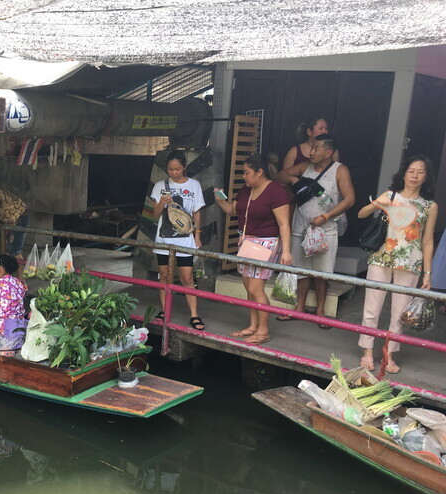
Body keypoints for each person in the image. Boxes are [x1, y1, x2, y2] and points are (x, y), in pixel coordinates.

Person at [357, 156, 438, 373]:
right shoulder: (389, 196)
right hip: (382, 257)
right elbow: (361, 213)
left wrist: (428, 273)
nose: (414, 175)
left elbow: (427, 241)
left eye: (420, 172)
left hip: (411, 261)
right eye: (411, 171)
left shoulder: (429, 206)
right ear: (403, 173)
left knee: (400, 312)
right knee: (372, 307)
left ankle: (388, 354)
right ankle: (367, 351)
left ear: (426, 177)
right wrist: (377, 203)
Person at [275, 135, 355, 326]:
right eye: (311, 147)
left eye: (316, 148)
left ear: (328, 152)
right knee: (301, 270)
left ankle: (320, 312)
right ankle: (299, 308)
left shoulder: (340, 170)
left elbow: (349, 199)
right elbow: (279, 176)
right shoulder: (304, 168)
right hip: (301, 228)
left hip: (325, 230)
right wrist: (295, 179)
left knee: (322, 273)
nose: (311, 152)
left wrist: (326, 217)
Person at [215, 154, 292, 345]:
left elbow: (284, 224)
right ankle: (253, 325)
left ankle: (264, 330)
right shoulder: (246, 189)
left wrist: (286, 251)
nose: (244, 176)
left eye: (246, 172)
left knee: (256, 288)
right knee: (248, 287)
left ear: (260, 172)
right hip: (246, 242)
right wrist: (220, 199)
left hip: (266, 242)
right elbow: (232, 211)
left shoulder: (276, 191)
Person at [150, 150, 206, 330]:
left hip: (185, 239)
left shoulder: (194, 185)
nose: (173, 173)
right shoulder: (160, 185)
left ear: (185, 167)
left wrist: (198, 235)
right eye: (170, 169)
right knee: (165, 276)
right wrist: (162, 203)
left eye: (177, 169)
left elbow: (197, 212)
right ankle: (165, 310)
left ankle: (194, 314)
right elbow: (155, 214)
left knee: (187, 278)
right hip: (164, 239)